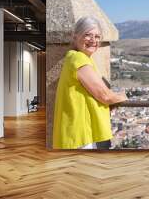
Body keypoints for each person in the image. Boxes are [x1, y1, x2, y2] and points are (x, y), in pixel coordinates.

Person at [53, 16, 128, 149]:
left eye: (97, 36)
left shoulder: (75, 58)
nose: (93, 40)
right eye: (87, 35)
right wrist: (122, 96)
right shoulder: (79, 59)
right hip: (78, 133)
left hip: (76, 130)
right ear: (75, 37)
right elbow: (104, 95)